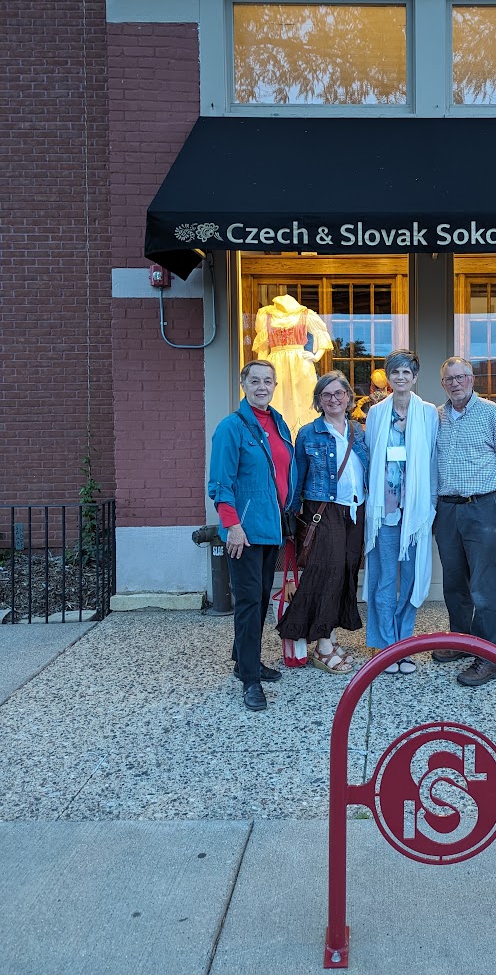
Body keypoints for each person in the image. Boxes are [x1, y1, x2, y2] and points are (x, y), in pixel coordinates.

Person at [208, 360, 297, 712]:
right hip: (242, 532)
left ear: (275, 385)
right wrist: (231, 524)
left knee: (258, 600)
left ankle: (244, 659)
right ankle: (249, 680)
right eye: (255, 380)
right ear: (243, 383)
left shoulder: (277, 423)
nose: (262, 386)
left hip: (269, 529)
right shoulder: (231, 427)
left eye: (268, 381)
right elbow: (220, 483)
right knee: (247, 604)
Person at [432, 357, 496, 687]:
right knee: (454, 581)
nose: (455, 383)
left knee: (483, 585)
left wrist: (488, 496)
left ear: (471, 379)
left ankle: (489, 657)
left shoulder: (492, 413)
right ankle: (461, 640)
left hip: (480, 507)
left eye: (460, 377)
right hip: (447, 510)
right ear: (443, 384)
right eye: (448, 378)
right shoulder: (437, 418)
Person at [277, 371, 368, 673]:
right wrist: (291, 516)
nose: (333, 399)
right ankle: (322, 647)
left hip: (355, 511)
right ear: (318, 400)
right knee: (326, 573)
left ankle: (329, 634)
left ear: (348, 398)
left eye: (338, 393)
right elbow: (296, 476)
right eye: (326, 395)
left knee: (345, 573)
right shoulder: (309, 432)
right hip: (323, 509)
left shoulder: (359, 430)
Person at [364, 350, 438, 674]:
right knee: (383, 579)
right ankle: (384, 646)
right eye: (395, 372)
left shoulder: (429, 413)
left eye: (407, 372)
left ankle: (404, 644)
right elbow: (369, 459)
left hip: (416, 512)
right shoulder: (377, 413)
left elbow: (433, 460)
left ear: (415, 377)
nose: (401, 377)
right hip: (385, 512)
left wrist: (431, 504)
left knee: (410, 579)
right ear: (388, 377)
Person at [252, 294, 334, 437]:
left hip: (299, 362)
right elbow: (263, 347)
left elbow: (321, 334)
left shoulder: (305, 314)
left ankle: (303, 436)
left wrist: (316, 356)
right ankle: (276, 434)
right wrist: (261, 370)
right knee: (277, 397)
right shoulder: (266, 315)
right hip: (275, 362)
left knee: (302, 397)